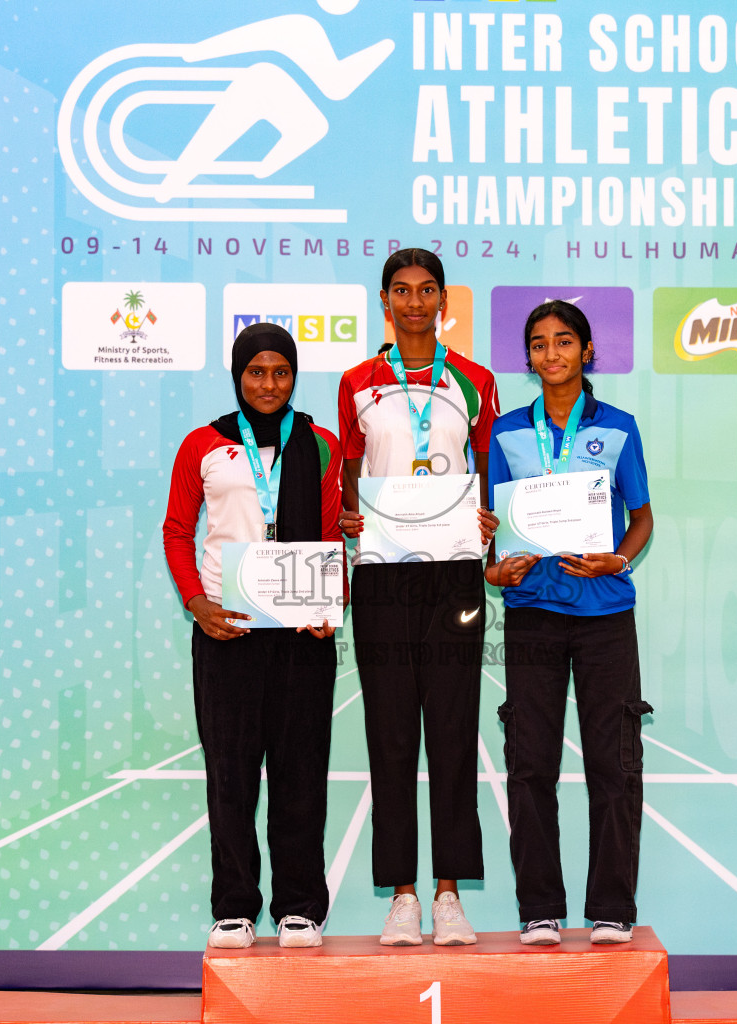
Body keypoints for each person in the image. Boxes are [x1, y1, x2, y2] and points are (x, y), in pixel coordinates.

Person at [162, 323, 344, 950]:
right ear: (238, 376)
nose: (269, 384)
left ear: (294, 377)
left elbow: (328, 536)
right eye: (256, 372)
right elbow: (176, 531)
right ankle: (234, 907)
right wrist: (197, 605)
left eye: (281, 372)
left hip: (301, 634)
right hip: (228, 633)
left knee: (300, 774)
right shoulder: (203, 446)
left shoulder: (321, 444)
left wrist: (330, 598)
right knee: (231, 775)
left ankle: (300, 907)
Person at [337, 248, 500, 946]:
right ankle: (402, 893)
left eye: (425, 290)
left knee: (456, 729)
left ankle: (450, 893)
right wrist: (351, 517)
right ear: (384, 300)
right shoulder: (356, 382)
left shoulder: (475, 379)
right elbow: (348, 472)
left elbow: (489, 470)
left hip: (453, 572)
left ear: (442, 299)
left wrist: (493, 521)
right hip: (381, 573)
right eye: (400, 291)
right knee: (392, 732)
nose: (413, 302)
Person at [483, 300, 654, 946]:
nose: (550, 354)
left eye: (563, 342)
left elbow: (642, 516)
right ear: (527, 358)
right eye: (538, 343)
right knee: (530, 764)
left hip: (605, 611)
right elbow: (494, 530)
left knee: (615, 762)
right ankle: (540, 910)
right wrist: (494, 569)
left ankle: (611, 907)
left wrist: (621, 555)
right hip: (532, 612)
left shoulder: (619, 427)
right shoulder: (504, 433)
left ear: (587, 351)